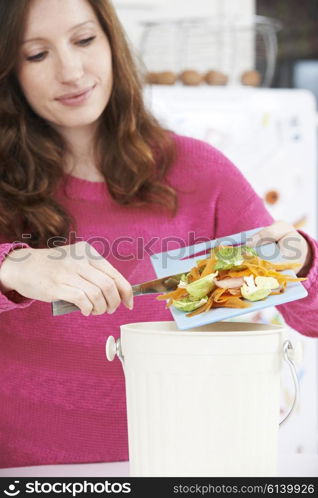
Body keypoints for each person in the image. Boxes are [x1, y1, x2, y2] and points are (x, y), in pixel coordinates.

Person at [0, 0, 317, 469]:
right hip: (29, 470)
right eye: (36, 54)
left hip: (187, 464)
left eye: (84, 40)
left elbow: (309, 316)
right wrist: (13, 266)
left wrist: (300, 260)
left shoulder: (200, 171)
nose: (71, 71)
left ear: (112, 44)